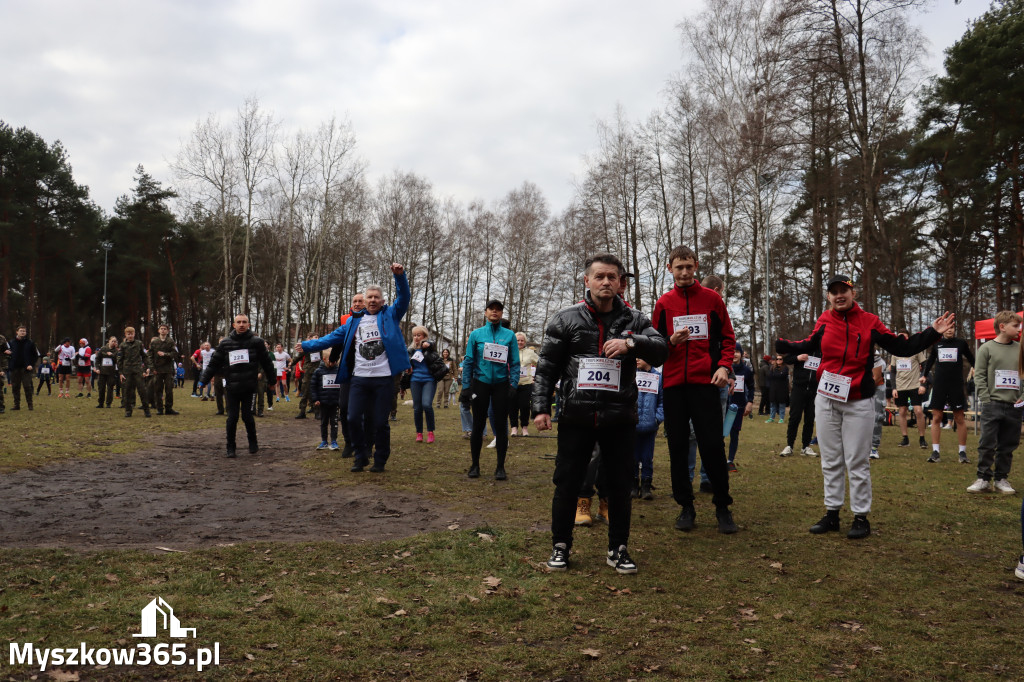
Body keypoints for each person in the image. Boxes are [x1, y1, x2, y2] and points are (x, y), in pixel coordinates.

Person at [776, 275, 951, 539]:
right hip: (826, 398)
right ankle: (832, 513)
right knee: (831, 459)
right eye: (834, 292)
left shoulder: (870, 321)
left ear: (853, 293)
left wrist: (933, 333)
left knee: (857, 460)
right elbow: (808, 344)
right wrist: (785, 345)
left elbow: (902, 347)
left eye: (844, 290)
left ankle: (860, 516)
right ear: (828, 297)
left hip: (858, 400)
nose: (839, 295)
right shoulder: (824, 320)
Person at [534, 253, 669, 574]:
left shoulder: (635, 320)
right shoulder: (565, 319)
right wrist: (540, 407)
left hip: (619, 418)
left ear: (620, 282)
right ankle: (560, 546)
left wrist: (631, 344)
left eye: (612, 277)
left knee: (620, 485)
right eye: (599, 276)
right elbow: (547, 367)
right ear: (587, 281)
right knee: (567, 482)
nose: (606, 282)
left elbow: (662, 350)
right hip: (576, 416)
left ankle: (618, 549)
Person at [653, 245, 739, 535]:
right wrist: (670, 342)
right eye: (679, 267)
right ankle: (685, 506)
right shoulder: (663, 303)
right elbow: (654, 345)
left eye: (689, 266)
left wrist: (724, 366)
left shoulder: (712, 299)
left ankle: (722, 506)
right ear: (670, 269)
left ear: (696, 266)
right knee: (677, 447)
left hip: (706, 384)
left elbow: (728, 338)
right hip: (674, 386)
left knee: (712, 446)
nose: (685, 272)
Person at [300, 265, 411, 473]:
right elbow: (331, 338)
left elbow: (404, 297)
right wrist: (307, 345)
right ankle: (360, 456)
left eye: (376, 297)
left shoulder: (391, 315)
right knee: (351, 418)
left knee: (380, 422)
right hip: (359, 378)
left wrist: (400, 277)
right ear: (365, 300)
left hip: (383, 378)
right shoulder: (354, 321)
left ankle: (380, 460)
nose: (372, 300)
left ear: (382, 301)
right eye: (369, 297)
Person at [198, 314, 276, 457]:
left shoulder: (257, 342)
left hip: (249, 387)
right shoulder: (225, 343)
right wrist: (203, 380)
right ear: (234, 325)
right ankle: (230, 447)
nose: (241, 324)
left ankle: (253, 443)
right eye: (238, 322)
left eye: (244, 322)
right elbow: (214, 364)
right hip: (232, 387)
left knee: (247, 416)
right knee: (232, 418)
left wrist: (272, 381)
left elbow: (267, 363)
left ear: (248, 325)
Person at [461, 300, 520, 480]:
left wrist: (513, 384)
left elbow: (515, 362)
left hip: (501, 384)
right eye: (491, 309)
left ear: (501, 313)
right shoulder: (476, 334)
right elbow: (469, 361)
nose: (495, 312)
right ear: (485, 312)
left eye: (498, 310)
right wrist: (466, 386)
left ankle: (500, 467)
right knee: (478, 425)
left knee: (501, 425)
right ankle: (475, 465)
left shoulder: (509, 335)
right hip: (481, 383)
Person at [967, 312, 1022, 494]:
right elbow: (979, 375)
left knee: (1008, 445)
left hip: (1014, 405)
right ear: (1002, 327)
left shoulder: (1020, 349)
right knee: (987, 443)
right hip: (992, 404)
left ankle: (1001, 479)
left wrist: (1023, 396)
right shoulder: (986, 348)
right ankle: (983, 478)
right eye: (1015, 326)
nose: (1019, 329)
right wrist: (985, 398)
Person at [921, 327, 975, 463]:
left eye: (952, 328)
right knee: (937, 417)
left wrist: (977, 369)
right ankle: (935, 452)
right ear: (943, 329)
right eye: (947, 328)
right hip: (939, 385)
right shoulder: (937, 344)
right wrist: (924, 375)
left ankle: (962, 453)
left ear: (955, 329)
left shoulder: (961, 343)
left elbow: (971, 359)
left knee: (959, 418)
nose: (950, 330)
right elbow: (930, 361)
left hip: (956, 385)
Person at [408, 326, 447, 443]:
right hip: (415, 380)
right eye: (414, 335)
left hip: (429, 380)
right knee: (417, 408)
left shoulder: (430, 348)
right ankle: (419, 433)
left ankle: (430, 432)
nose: (416, 337)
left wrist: (427, 344)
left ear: (424, 336)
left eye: (419, 335)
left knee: (427, 405)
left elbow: (432, 344)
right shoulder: (410, 350)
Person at [890, 337, 929, 449]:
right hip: (900, 387)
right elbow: (892, 371)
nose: (902, 338)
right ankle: (905, 438)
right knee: (902, 411)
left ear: (908, 337)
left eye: (904, 336)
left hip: (915, 385)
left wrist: (923, 384)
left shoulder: (916, 349)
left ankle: (922, 439)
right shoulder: (895, 352)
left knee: (918, 411)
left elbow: (925, 365)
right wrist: (894, 388)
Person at [634, 358, 664, 499]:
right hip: (633, 425)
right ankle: (633, 485)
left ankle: (646, 486)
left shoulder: (659, 378)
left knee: (647, 457)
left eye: (640, 357)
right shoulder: (631, 375)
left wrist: (656, 419)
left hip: (650, 426)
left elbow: (663, 402)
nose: (637, 359)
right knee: (632, 457)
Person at [780, 351, 819, 456]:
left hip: (814, 389)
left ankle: (806, 446)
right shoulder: (802, 347)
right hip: (798, 388)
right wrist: (797, 358)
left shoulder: (822, 351)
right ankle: (789, 445)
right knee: (794, 417)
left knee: (810, 418)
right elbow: (786, 359)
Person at [116, 327, 152, 418]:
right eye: (128, 334)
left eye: (132, 334)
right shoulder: (122, 345)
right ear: (125, 335)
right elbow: (119, 359)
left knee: (142, 391)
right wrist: (120, 373)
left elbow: (144, 356)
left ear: (134, 334)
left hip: (138, 371)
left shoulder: (139, 344)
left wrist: (147, 367)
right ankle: (128, 411)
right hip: (127, 372)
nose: (130, 336)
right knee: (127, 391)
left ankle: (146, 410)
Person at [729, 352, 755, 471]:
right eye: (732, 351)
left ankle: (730, 461)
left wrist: (750, 402)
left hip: (738, 407)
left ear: (741, 354)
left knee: (734, 434)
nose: (734, 354)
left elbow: (751, 387)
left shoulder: (746, 371)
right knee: (720, 434)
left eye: (737, 352)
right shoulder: (724, 368)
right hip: (724, 406)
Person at [310, 355, 342, 450]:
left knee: (334, 422)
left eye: (335, 360)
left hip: (335, 402)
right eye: (330, 359)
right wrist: (316, 399)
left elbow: (342, 386)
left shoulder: (339, 371)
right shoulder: (318, 371)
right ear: (324, 359)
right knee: (324, 422)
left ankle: (334, 441)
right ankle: (324, 441)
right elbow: (313, 386)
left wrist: (341, 399)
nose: (333, 362)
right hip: (323, 402)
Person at [511, 333, 540, 437]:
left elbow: (540, 364)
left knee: (525, 407)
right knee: (512, 407)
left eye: (522, 340)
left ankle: (524, 427)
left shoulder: (530, 352)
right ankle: (514, 428)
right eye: (517, 340)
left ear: (525, 341)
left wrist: (536, 377)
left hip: (526, 383)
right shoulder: (510, 350)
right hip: (512, 384)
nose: (520, 342)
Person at [149, 324, 180, 415]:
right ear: (158, 331)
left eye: (165, 329)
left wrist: (165, 354)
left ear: (167, 331)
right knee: (158, 390)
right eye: (161, 329)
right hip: (157, 370)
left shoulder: (170, 341)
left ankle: (169, 408)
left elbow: (174, 354)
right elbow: (150, 356)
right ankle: (159, 408)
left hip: (168, 369)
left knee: (169, 390)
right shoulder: (154, 342)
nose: (163, 330)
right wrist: (152, 368)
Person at [6, 326, 40, 411]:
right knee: (15, 387)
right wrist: (8, 360)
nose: (22, 332)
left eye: (24, 331)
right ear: (17, 332)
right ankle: (16, 405)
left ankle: (30, 405)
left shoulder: (30, 343)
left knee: (27, 386)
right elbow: (6, 355)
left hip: (26, 369)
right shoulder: (11, 343)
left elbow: (35, 355)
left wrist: (31, 364)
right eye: (21, 331)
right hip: (14, 368)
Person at [295, 333, 322, 420]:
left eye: (317, 337)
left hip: (317, 372)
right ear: (310, 338)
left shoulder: (320, 347)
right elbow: (299, 357)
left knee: (317, 392)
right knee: (305, 391)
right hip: (308, 372)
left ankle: (317, 412)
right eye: (315, 337)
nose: (317, 338)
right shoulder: (307, 348)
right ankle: (302, 411)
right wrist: (291, 364)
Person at [93, 336, 119, 408]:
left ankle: (108, 403)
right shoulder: (103, 349)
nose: (113, 343)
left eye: (115, 341)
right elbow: (97, 359)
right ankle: (100, 403)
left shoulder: (116, 351)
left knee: (110, 388)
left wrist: (112, 355)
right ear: (109, 341)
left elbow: (117, 361)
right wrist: (97, 368)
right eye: (112, 341)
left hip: (111, 372)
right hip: (102, 372)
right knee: (101, 388)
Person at [765, 354, 789, 424]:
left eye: (780, 359)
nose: (778, 360)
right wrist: (778, 374)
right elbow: (769, 375)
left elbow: (783, 375)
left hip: (782, 389)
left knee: (782, 404)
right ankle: (771, 418)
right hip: (773, 388)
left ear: (783, 360)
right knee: (772, 404)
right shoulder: (772, 367)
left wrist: (775, 375)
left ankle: (781, 418)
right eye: (777, 359)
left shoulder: (785, 368)